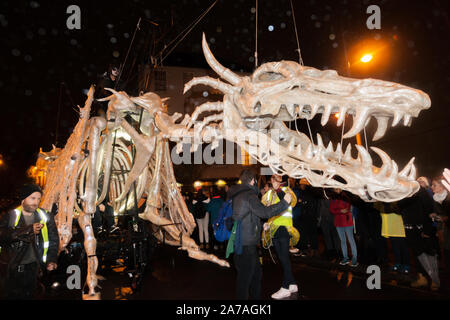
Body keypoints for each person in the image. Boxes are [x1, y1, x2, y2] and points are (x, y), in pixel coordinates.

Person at [228, 169, 292, 300]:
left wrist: (260, 224)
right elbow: (264, 212)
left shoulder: (237, 195)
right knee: (245, 280)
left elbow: (246, 214)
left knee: (255, 275)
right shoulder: (249, 195)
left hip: (240, 241)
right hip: (246, 244)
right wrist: (284, 203)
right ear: (252, 181)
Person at [0, 184, 59, 299]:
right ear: (23, 199)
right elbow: (2, 235)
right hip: (10, 271)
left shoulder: (45, 216)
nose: (36, 202)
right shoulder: (10, 216)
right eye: (32, 198)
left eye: (38, 199)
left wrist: (51, 260)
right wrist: (27, 230)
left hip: (33, 271)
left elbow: (53, 240)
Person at [261, 174, 299, 299]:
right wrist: (267, 223)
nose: (276, 180)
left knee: (284, 257)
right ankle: (292, 283)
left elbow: (289, 203)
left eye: (278, 177)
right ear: (271, 180)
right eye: (273, 178)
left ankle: (285, 287)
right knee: (282, 257)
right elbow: (267, 210)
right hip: (274, 228)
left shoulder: (286, 190)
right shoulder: (269, 194)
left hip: (284, 227)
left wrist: (278, 189)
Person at [398, 184, 440, 290]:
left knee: (428, 255)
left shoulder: (420, 191)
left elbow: (429, 209)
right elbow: (399, 209)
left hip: (422, 229)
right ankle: (422, 279)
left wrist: (426, 229)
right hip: (409, 229)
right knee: (417, 255)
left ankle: (435, 280)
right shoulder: (401, 192)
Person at [375, 201, 410, 274]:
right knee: (395, 247)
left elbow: (399, 210)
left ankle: (406, 265)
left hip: (400, 228)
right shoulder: (382, 202)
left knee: (403, 247)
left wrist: (391, 204)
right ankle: (397, 263)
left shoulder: (397, 200)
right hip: (391, 228)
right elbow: (377, 207)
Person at [329, 188, 358, 267]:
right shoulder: (333, 198)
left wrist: (338, 210)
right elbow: (331, 210)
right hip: (338, 222)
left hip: (347, 221)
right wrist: (340, 211)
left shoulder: (346, 196)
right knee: (343, 241)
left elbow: (346, 209)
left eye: (339, 188)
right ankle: (345, 258)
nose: (337, 189)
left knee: (351, 240)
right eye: (336, 188)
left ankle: (354, 259)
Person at [296, 178, 319, 257]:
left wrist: (302, 202)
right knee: (310, 234)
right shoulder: (307, 193)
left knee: (311, 234)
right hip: (308, 217)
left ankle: (313, 249)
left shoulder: (308, 194)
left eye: (302, 184)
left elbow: (307, 204)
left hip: (309, 217)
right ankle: (313, 249)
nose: (300, 186)